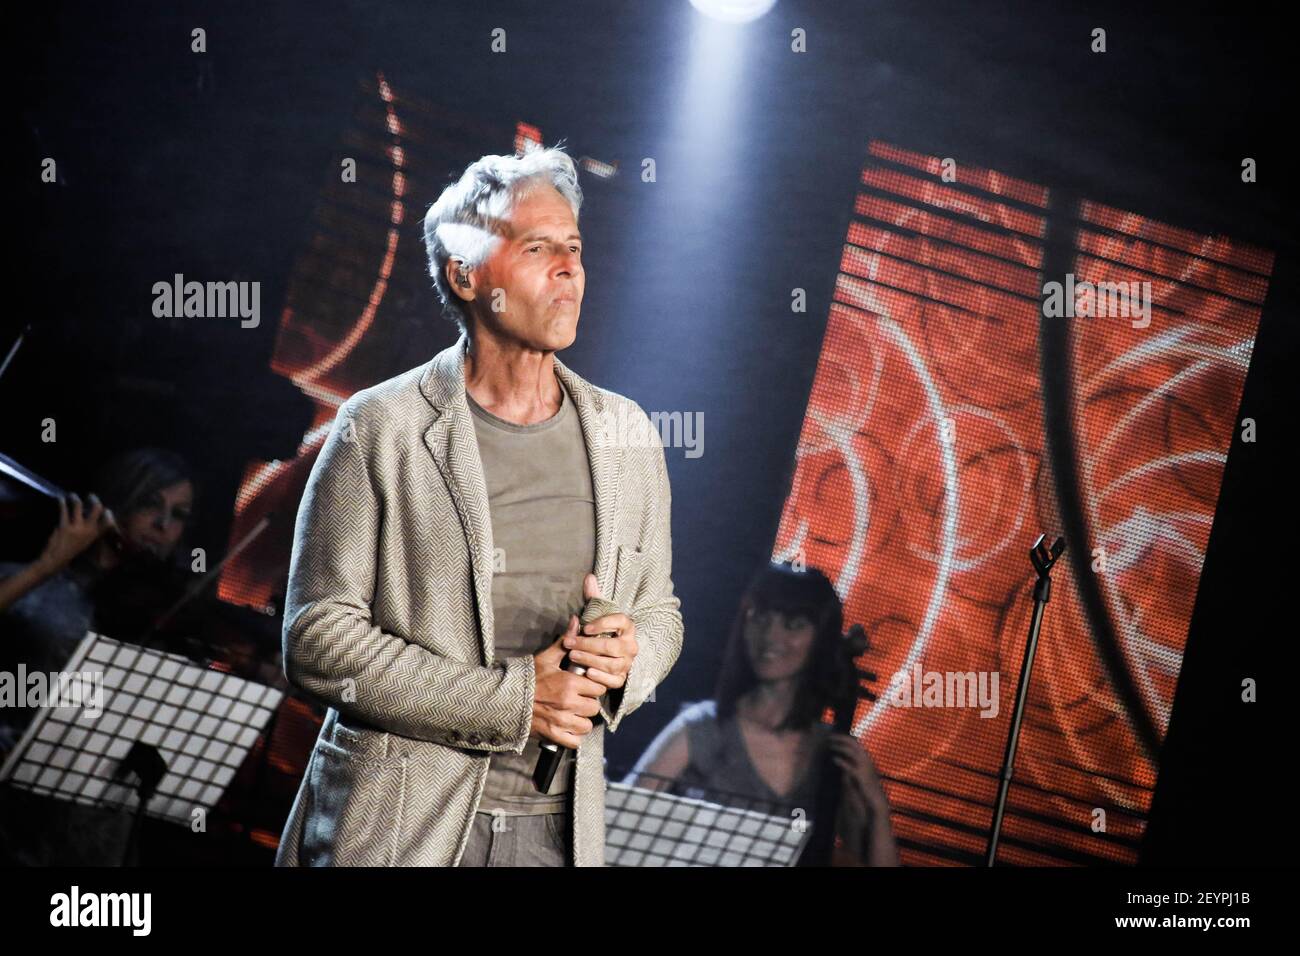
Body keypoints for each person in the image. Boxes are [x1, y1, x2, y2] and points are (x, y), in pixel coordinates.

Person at [273, 142, 684, 867]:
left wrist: (630, 656)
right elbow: (317, 639)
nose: (569, 270)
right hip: (399, 831)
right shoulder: (382, 426)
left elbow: (660, 612)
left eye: (575, 248)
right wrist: (515, 701)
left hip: (554, 834)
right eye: (538, 248)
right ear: (466, 274)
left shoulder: (627, 435)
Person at [627, 562, 899, 866]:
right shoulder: (703, 726)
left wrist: (876, 806)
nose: (771, 635)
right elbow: (621, 825)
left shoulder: (831, 755)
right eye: (761, 617)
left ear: (820, 640)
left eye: (793, 624)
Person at [0, 447, 196, 864]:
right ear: (115, 503)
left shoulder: (160, 610)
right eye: (150, 505)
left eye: (178, 515)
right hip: (14, 815)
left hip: (98, 834)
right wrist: (49, 563)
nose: (163, 526)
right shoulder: (35, 583)